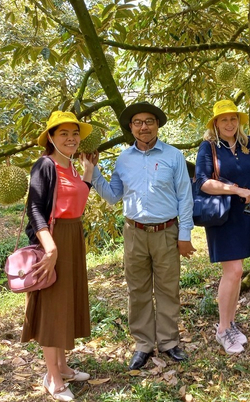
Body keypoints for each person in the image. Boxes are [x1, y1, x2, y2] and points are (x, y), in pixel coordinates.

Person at [90, 101, 196, 370]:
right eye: (137, 122)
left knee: (167, 287)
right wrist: (93, 174)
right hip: (134, 232)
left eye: (149, 121)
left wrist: (185, 234)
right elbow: (114, 195)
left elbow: (185, 197)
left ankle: (169, 341)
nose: (143, 126)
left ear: (157, 124)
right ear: (131, 128)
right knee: (137, 289)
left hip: (166, 232)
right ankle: (143, 344)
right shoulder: (124, 158)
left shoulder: (172, 156)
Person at [195, 99, 250, 355]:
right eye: (224, 119)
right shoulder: (208, 146)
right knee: (233, 271)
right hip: (223, 216)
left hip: (246, 215)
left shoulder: (248, 145)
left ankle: (231, 323)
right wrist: (236, 190)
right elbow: (203, 182)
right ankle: (222, 329)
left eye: (233, 118)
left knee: (238, 270)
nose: (230, 123)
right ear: (215, 123)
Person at [21, 111, 97, 401]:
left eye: (75, 133)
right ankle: (52, 378)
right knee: (53, 308)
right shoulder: (45, 165)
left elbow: (76, 200)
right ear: (51, 137)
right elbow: (35, 208)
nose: (71, 138)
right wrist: (50, 246)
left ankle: (62, 367)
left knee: (66, 303)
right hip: (53, 239)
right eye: (63, 133)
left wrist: (88, 174)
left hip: (73, 237)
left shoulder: (73, 168)